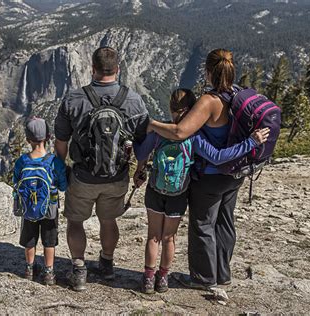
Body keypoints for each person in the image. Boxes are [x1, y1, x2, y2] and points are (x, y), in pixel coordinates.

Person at [133, 88, 269, 293]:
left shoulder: (160, 131)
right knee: (169, 237)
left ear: (171, 108)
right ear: (192, 110)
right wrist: (250, 143)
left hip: (155, 190)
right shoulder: (194, 136)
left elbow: (140, 152)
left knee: (154, 236)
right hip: (179, 193)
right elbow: (218, 157)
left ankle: (148, 278)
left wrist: (142, 134)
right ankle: (163, 278)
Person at [148, 49, 260, 289]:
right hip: (235, 172)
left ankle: (203, 278)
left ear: (209, 72)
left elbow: (180, 132)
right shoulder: (238, 95)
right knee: (225, 223)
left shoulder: (209, 101)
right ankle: (222, 274)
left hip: (211, 175)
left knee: (203, 224)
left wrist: (153, 125)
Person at [54, 46, 150, 291]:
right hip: (117, 176)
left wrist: (60, 168)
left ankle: (78, 269)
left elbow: (61, 141)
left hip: (83, 177)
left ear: (92, 69)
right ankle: (106, 264)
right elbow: (143, 141)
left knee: (75, 221)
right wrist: (140, 169)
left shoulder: (74, 99)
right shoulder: (134, 100)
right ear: (118, 70)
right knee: (108, 220)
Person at [13, 117, 67, 286]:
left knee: (30, 238)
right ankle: (49, 272)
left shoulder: (22, 161)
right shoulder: (54, 161)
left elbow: (16, 182)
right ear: (48, 137)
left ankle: (29, 268)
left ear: (28, 140)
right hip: (49, 207)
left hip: (29, 207)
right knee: (49, 240)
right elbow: (63, 185)